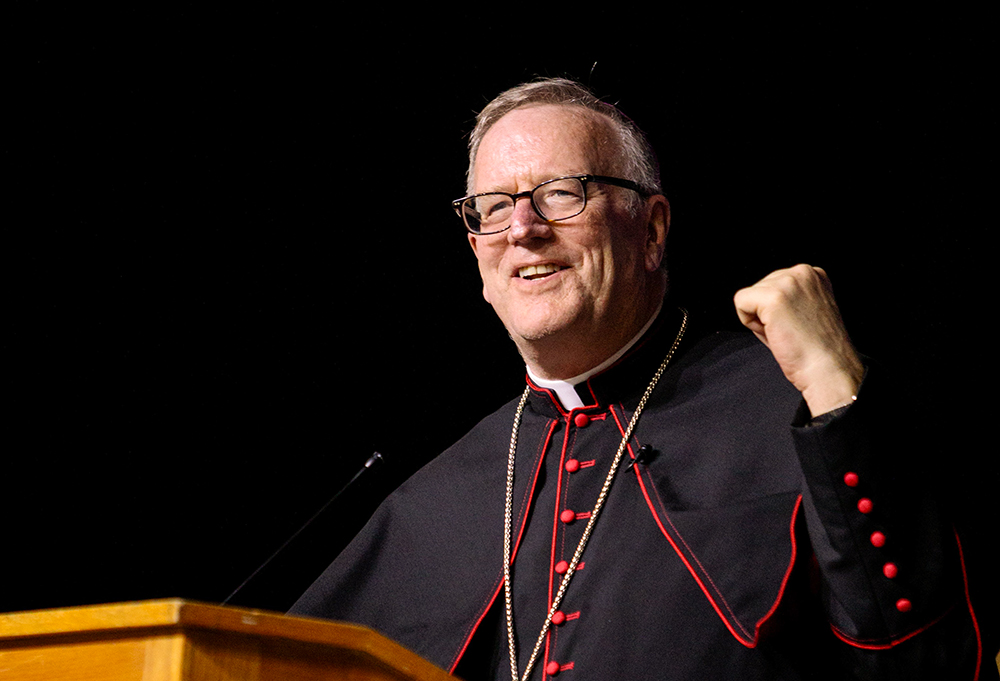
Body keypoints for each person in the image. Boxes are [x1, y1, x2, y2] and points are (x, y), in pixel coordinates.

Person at [290, 79, 984, 680]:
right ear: (476, 251)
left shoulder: (795, 404)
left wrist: (835, 390)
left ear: (651, 229)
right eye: (493, 208)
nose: (522, 229)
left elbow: (931, 663)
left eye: (560, 194)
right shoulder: (433, 499)